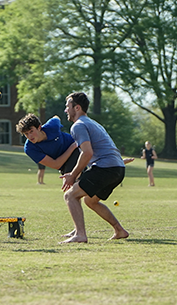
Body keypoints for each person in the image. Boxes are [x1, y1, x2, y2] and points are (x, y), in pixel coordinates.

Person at [59, 92, 129, 243]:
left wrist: (72, 174)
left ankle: (80, 235)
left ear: (77, 108)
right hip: (118, 169)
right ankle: (119, 230)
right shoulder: (92, 122)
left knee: (70, 195)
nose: (66, 110)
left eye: (67, 107)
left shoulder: (78, 125)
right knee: (90, 201)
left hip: (105, 168)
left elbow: (87, 153)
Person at [17, 114, 81, 178]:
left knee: (76, 181)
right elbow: (56, 164)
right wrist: (73, 146)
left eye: (31, 131)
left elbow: (56, 118)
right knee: (71, 183)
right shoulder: (30, 149)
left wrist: (75, 145)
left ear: (39, 127)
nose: (30, 136)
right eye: (26, 134)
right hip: (66, 160)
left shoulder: (52, 126)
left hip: (78, 149)